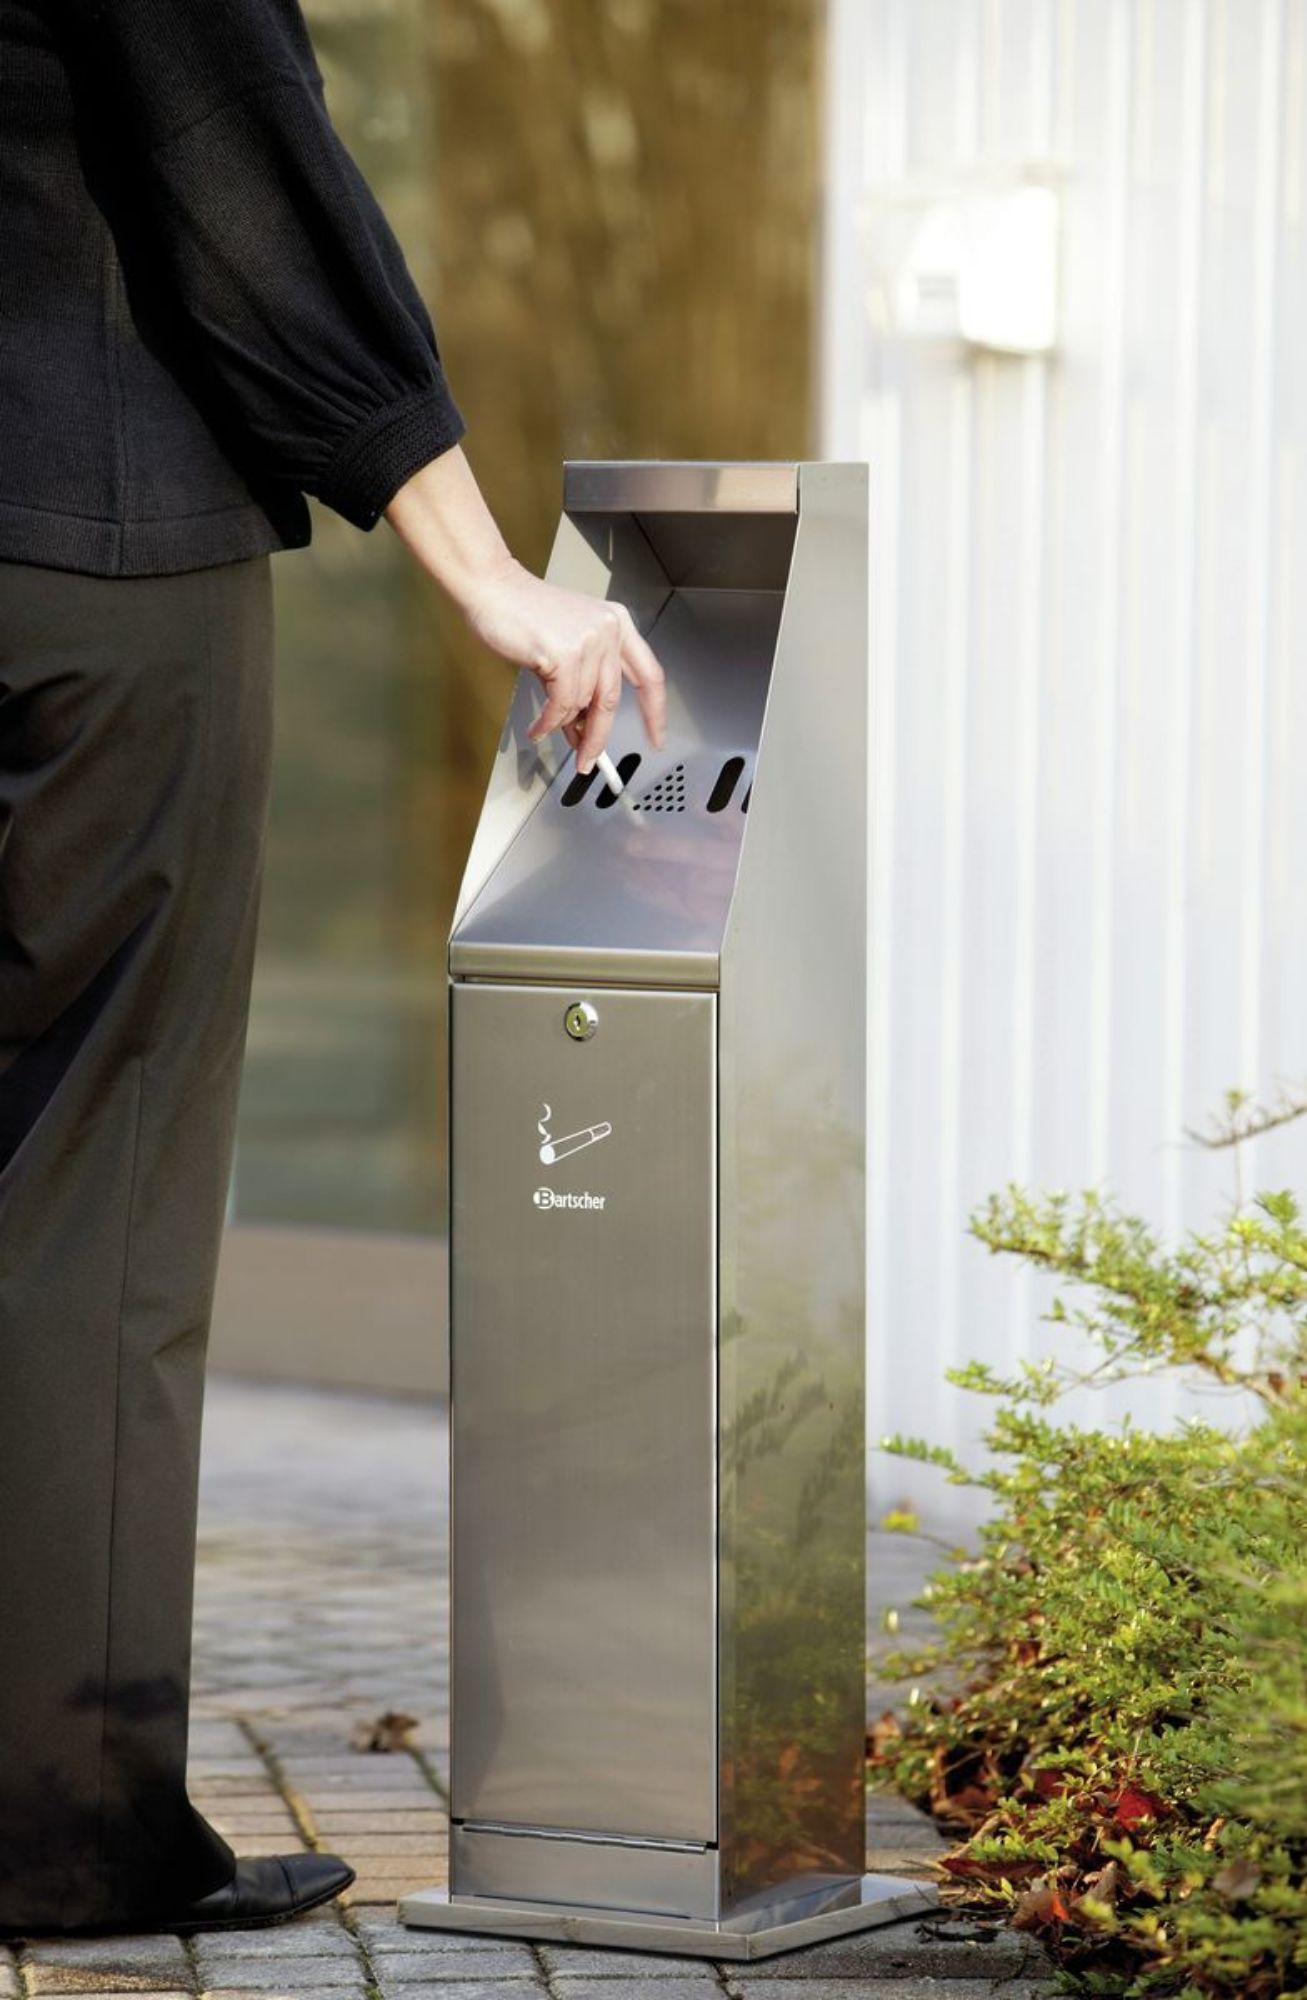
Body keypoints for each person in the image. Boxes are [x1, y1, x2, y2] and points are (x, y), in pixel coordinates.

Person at [0, 0, 667, 1942]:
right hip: (91, 559)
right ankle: (64, 1836)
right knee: (94, 1187)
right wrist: (474, 563)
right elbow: (240, 178)